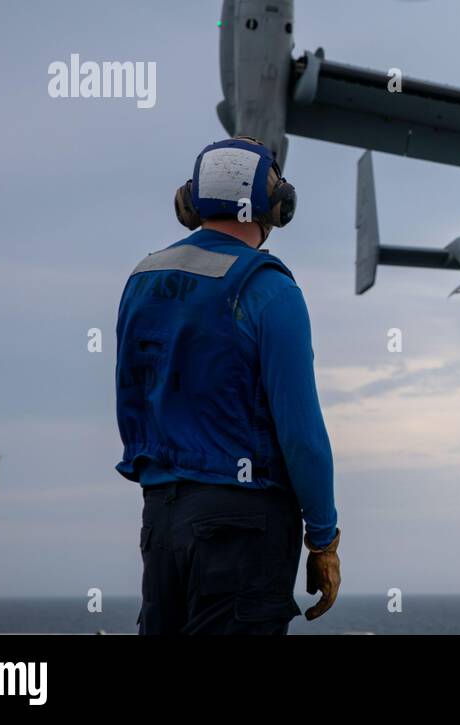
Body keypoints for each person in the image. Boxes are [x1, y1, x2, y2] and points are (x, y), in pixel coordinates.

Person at [114, 136, 340, 635]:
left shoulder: (143, 279)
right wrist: (323, 539)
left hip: (162, 524)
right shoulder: (268, 288)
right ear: (276, 207)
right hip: (243, 527)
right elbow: (301, 433)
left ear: (190, 203)